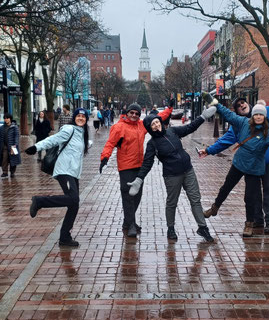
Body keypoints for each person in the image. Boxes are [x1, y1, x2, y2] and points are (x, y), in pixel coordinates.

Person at [200, 82, 269, 234]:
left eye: (243, 102)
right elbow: (224, 140)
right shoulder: (239, 124)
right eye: (238, 105)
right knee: (253, 194)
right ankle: (256, 221)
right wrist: (209, 150)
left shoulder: (267, 113)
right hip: (248, 164)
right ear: (238, 111)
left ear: (249, 104)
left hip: (268, 161)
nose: (241, 105)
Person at [127, 107, 217, 242]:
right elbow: (147, 163)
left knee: (195, 199)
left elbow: (189, 128)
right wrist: (139, 179)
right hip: (172, 175)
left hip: (188, 170)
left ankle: (202, 227)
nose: (156, 125)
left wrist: (202, 117)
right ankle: (170, 228)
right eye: (153, 124)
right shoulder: (152, 144)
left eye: (157, 122)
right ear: (150, 128)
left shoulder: (172, 131)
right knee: (172, 203)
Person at [99, 102, 173, 237]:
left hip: (139, 166)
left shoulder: (141, 125)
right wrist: (104, 157)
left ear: (139, 115)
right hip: (126, 167)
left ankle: (128, 221)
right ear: (127, 113)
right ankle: (131, 224)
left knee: (137, 196)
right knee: (128, 196)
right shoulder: (118, 127)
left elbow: (159, 117)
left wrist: (170, 108)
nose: (134, 115)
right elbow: (110, 143)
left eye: (136, 114)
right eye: (131, 113)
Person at [25, 108, 90, 247]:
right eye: (78, 116)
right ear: (74, 117)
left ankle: (65, 237)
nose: (81, 118)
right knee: (73, 199)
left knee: (74, 204)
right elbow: (53, 140)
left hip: (74, 173)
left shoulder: (83, 133)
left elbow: (79, 148)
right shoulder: (69, 129)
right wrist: (36, 147)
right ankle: (39, 201)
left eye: (83, 117)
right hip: (64, 170)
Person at [0, 113, 21, 178]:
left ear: (10, 119)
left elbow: (16, 136)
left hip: (13, 146)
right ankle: (5, 172)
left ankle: (12, 172)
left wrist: (15, 145)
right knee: (4, 159)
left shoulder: (14, 127)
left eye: (7, 118)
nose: (6, 119)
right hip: (4, 146)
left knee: (13, 159)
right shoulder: (2, 128)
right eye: (5, 118)